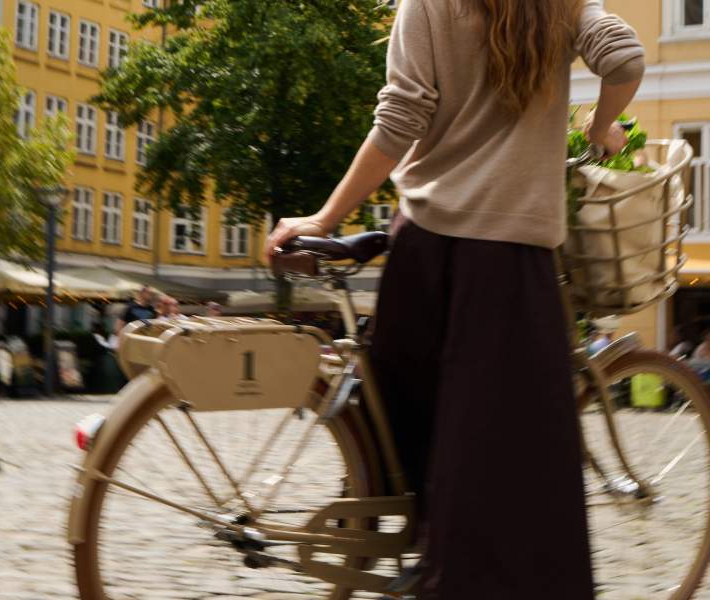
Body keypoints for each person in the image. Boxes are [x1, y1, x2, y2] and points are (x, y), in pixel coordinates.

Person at [265, 1, 644, 597]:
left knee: (411, 435)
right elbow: (624, 59)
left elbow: (398, 122)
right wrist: (600, 128)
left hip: (424, 249)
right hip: (510, 263)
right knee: (498, 458)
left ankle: (420, 554)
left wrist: (326, 215)